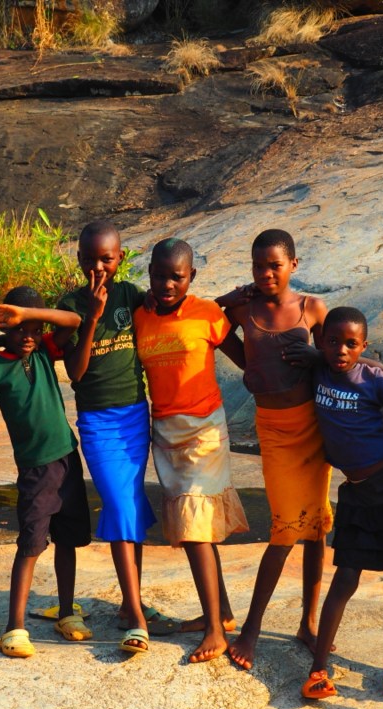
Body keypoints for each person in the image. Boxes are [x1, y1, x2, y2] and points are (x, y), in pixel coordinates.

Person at [219, 229, 332, 670]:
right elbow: (209, 323)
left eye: (275, 266)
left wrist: (319, 359)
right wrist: (230, 299)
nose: (266, 274)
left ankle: (308, 622)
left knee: (317, 527)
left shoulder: (312, 309)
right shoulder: (245, 310)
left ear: (293, 266)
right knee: (285, 529)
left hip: (313, 428)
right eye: (258, 266)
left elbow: (342, 357)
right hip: (275, 431)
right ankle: (251, 629)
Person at [133, 238, 249, 663]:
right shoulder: (141, 316)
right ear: (149, 274)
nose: (167, 284)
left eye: (177, 277)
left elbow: (245, 359)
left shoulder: (207, 314)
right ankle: (222, 613)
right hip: (165, 430)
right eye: (160, 275)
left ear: (191, 278)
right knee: (191, 525)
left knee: (195, 524)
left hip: (204, 431)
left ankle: (215, 631)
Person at [300, 306, 383, 698]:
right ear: (321, 342)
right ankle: (318, 669)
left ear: (363, 345)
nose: (341, 350)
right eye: (333, 341)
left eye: (351, 344)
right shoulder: (318, 365)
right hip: (356, 492)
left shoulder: (374, 381)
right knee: (345, 578)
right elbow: (315, 353)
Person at [56, 220, 158, 654]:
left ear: (120, 259)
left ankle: (127, 606)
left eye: (107, 258)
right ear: (79, 259)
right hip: (99, 423)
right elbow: (75, 371)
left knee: (131, 505)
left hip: (136, 415)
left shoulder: (130, 295)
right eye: (91, 258)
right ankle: (136, 617)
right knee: (118, 505)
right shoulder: (71, 304)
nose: (99, 266)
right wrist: (93, 317)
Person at [0, 287, 92, 658]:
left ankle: (67, 611)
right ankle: (15, 626)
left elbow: (75, 321)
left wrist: (26, 316)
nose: (27, 336)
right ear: (6, 329)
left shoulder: (45, 350)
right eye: (18, 329)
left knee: (68, 539)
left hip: (67, 459)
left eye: (33, 327)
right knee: (30, 544)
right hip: (34, 469)